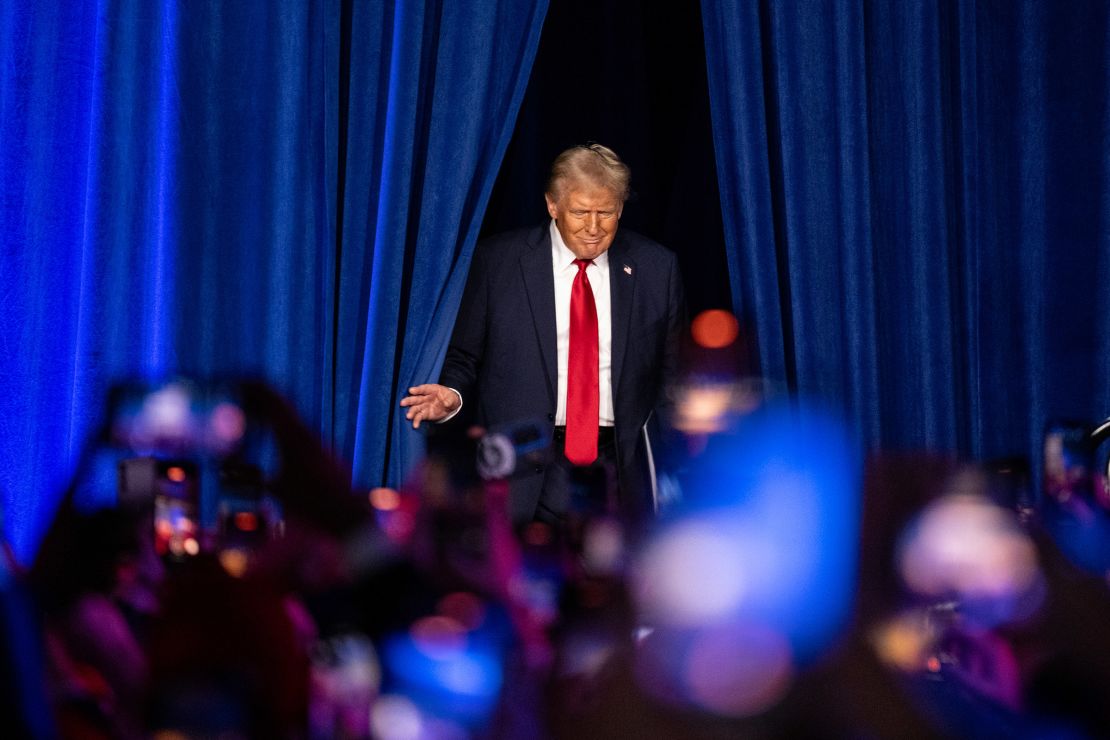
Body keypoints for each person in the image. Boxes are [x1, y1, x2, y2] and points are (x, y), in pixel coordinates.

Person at [401, 144, 684, 526]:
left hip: (618, 468)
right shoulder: (497, 262)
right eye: (581, 212)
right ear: (553, 205)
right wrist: (452, 397)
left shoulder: (656, 268)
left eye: (607, 213)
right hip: (526, 462)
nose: (594, 227)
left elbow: (672, 379)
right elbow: (465, 356)